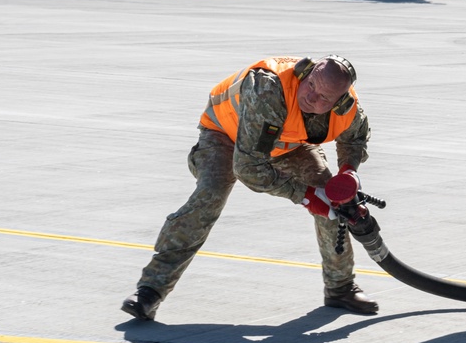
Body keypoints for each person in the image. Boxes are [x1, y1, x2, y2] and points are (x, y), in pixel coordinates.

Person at [122, 55, 377, 321]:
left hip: (287, 144)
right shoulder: (268, 88)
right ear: (306, 73)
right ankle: (150, 290)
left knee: (335, 200)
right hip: (225, 134)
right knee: (210, 194)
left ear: (340, 101)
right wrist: (306, 196)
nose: (312, 97)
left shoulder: (348, 107)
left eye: (324, 98)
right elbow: (248, 168)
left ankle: (340, 287)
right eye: (310, 85)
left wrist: (348, 173)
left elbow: (355, 138)